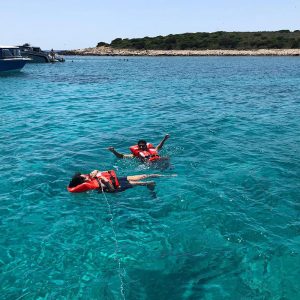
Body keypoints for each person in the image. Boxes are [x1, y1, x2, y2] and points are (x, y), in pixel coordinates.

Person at [67, 169, 175, 193]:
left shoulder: (87, 177)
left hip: (116, 179)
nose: (85, 176)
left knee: (143, 176)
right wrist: (105, 182)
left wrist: (94, 173)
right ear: (81, 181)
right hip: (113, 186)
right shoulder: (87, 184)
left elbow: (95, 171)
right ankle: (149, 184)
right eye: (83, 177)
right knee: (139, 183)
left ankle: (164, 176)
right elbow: (112, 190)